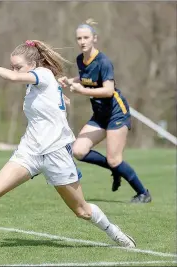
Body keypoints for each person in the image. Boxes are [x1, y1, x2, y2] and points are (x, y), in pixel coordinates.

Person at [0, 40, 137, 248]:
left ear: (34, 65)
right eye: (12, 66)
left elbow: (15, 78)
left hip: (56, 153)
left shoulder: (42, 74)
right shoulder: (39, 82)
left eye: (18, 66)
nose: (14, 70)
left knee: (82, 211)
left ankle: (115, 233)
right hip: (30, 151)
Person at [58, 19, 151, 203]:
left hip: (117, 113)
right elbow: (86, 78)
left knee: (115, 159)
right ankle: (114, 169)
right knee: (78, 151)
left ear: (95, 39)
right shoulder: (80, 60)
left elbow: (108, 90)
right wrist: (71, 81)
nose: (82, 41)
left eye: (86, 37)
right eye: (79, 38)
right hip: (100, 116)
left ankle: (143, 193)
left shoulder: (103, 62)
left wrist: (82, 90)